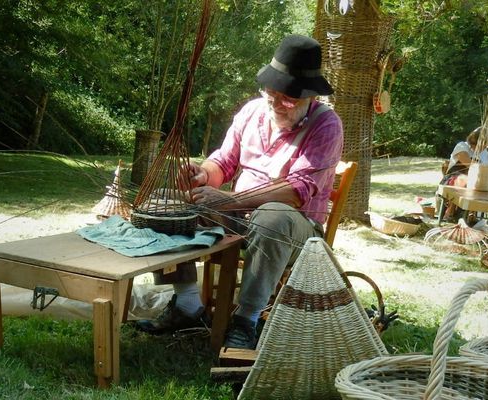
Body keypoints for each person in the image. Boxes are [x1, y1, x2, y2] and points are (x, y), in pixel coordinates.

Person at [137, 34, 344, 349]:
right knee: (162, 205)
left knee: (272, 217)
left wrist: (231, 200)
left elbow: (297, 191)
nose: (275, 104)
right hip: (236, 213)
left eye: (287, 99)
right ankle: (187, 304)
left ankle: (245, 321)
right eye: (271, 93)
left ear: (308, 98)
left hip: (295, 228)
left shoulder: (326, 125)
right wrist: (203, 175)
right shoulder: (252, 112)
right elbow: (224, 160)